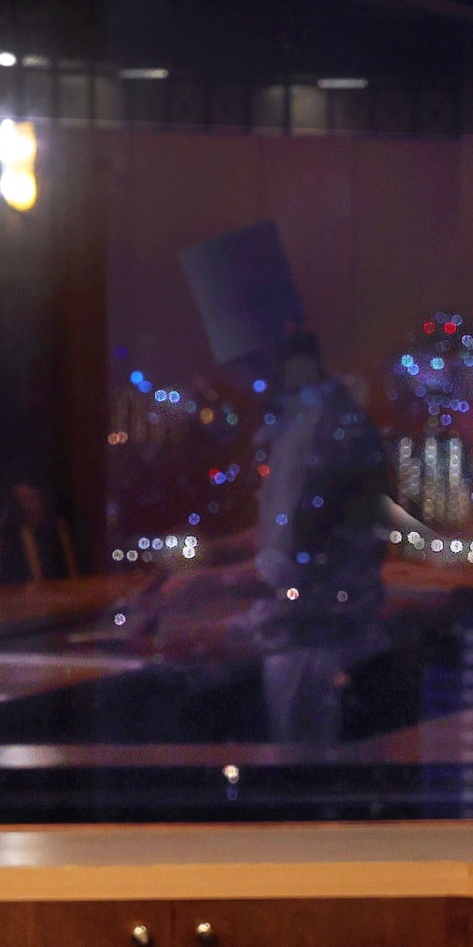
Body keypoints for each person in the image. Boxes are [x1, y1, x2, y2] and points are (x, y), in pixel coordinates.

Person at [181, 222, 395, 752]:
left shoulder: (311, 432)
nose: (246, 383)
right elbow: (287, 534)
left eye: (248, 367)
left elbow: (284, 570)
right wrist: (205, 554)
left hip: (314, 664)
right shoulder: (314, 417)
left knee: (309, 789)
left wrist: (196, 589)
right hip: (334, 652)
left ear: (274, 351)